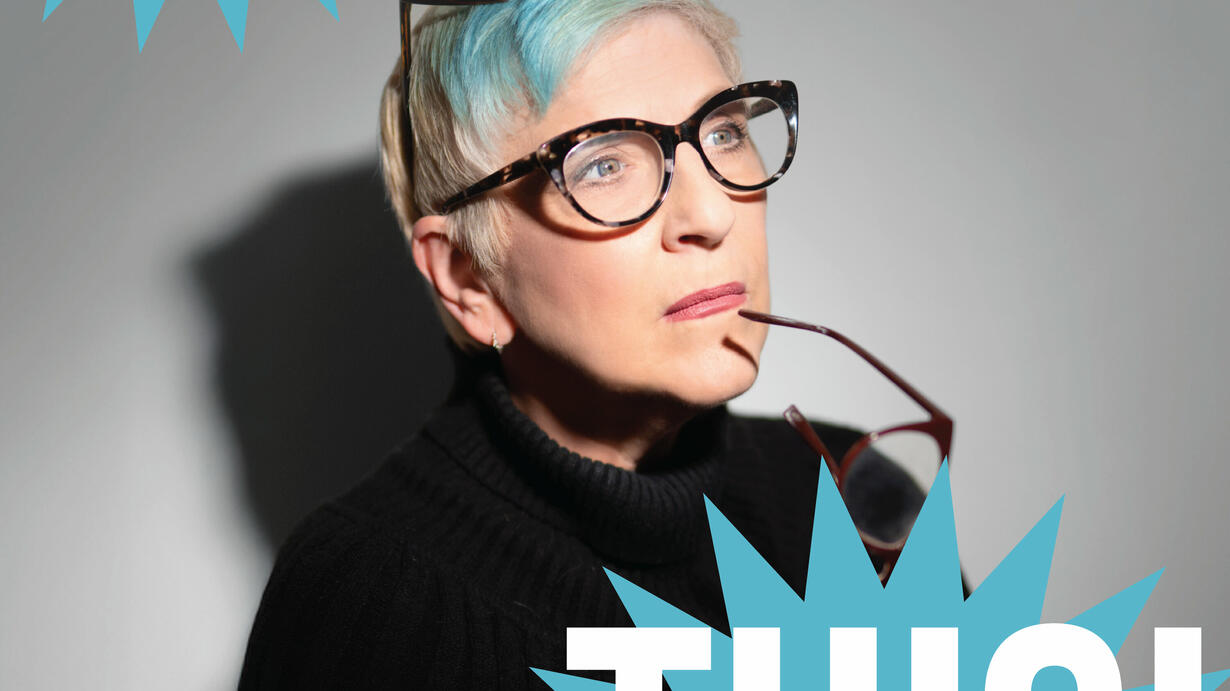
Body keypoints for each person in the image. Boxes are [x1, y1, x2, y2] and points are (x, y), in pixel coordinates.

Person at [238, 1, 927, 687]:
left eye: (723, 132)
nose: (713, 213)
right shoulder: (372, 601)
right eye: (602, 164)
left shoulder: (851, 494)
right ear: (468, 277)